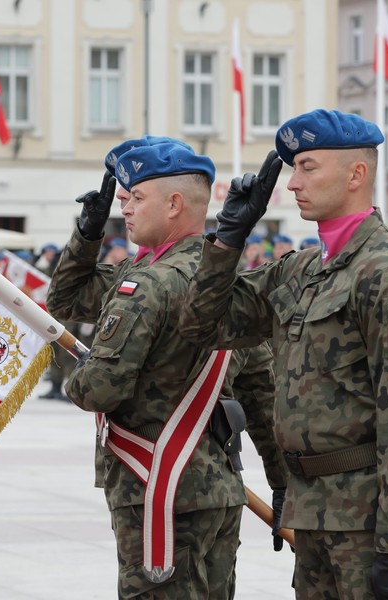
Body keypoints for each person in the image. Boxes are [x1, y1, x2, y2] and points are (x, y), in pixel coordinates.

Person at [178, 109, 388, 599]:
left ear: (356, 174)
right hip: (313, 509)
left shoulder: (387, 272)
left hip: (367, 521)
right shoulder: (300, 268)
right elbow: (200, 326)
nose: (293, 183)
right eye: (293, 168)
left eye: (308, 167)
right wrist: (228, 239)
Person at [49, 136, 273, 598]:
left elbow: (97, 391)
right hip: (218, 490)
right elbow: (263, 397)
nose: (124, 208)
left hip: (158, 487)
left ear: (174, 204)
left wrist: (82, 376)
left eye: (136, 198)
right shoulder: (229, 282)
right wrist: (88, 236)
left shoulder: (149, 283)